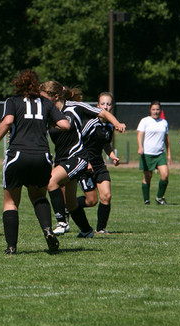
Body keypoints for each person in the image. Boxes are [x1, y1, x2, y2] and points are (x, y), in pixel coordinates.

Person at [0, 70, 69, 253]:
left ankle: (11, 247)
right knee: (39, 196)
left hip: (18, 155)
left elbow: (7, 122)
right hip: (42, 157)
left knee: (11, 202)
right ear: (37, 86)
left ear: (18, 84)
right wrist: (46, 123)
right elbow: (65, 125)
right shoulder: (46, 103)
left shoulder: (12, 101)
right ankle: (47, 231)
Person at [40, 81, 125, 238]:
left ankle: (61, 222)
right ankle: (86, 230)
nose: (41, 101)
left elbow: (103, 113)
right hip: (61, 159)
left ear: (55, 96)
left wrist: (116, 123)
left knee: (51, 181)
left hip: (77, 156)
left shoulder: (75, 107)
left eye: (44, 98)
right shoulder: (47, 112)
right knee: (71, 203)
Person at [77, 92, 121, 234]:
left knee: (106, 196)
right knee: (91, 201)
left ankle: (101, 229)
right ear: (97, 106)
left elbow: (105, 145)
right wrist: (86, 162)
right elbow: (78, 142)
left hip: (99, 165)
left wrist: (113, 156)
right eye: (103, 104)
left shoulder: (109, 126)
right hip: (84, 164)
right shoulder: (91, 123)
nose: (106, 107)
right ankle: (69, 206)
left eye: (108, 104)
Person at [137, 101, 170, 205]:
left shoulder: (164, 122)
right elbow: (139, 134)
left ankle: (159, 198)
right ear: (150, 110)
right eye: (153, 109)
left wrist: (169, 154)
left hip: (160, 154)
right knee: (147, 177)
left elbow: (166, 139)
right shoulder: (145, 121)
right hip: (147, 154)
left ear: (160, 110)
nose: (156, 112)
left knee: (165, 175)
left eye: (157, 109)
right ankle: (146, 200)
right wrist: (140, 147)